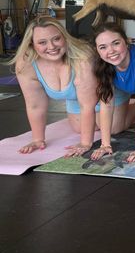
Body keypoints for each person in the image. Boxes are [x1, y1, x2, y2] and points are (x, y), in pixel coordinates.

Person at [9, 16, 98, 156]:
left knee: (113, 126)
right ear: (32, 44)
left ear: (64, 37)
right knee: (80, 128)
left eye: (56, 39)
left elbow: (87, 105)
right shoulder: (26, 63)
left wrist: (86, 143)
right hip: (77, 100)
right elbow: (35, 105)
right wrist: (38, 139)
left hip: (104, 96)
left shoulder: (83, 56)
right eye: (42, 42)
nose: (51, 47)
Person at [93, 22, 135, 164]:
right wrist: (105, 144)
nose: (111, 51)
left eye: (115, 43)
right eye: (103, 47)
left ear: (126, 42)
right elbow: (106, 105)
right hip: (134, 93)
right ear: (97, 50)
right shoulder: (103, 64)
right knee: (113, 128)